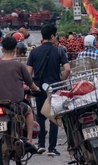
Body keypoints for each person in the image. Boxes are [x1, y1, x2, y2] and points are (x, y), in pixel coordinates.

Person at [0, 37, 39, 153]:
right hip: (14, 105)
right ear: (15, 50)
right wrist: (36, 89)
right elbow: (30, 84)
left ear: (2, 50)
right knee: (28, 112)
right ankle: (29, 140)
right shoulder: (19, 66)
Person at [26, 25, 71, 156]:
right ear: (52, 36)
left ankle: (40, 145)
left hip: (39, 88)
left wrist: (32, 87)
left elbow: (28, 73)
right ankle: (52, 148)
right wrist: (61, 81)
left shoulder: (34, 52)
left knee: (40, 116)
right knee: (53, 117)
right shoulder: (59, 51)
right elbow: (67, 68)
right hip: (54, 88)